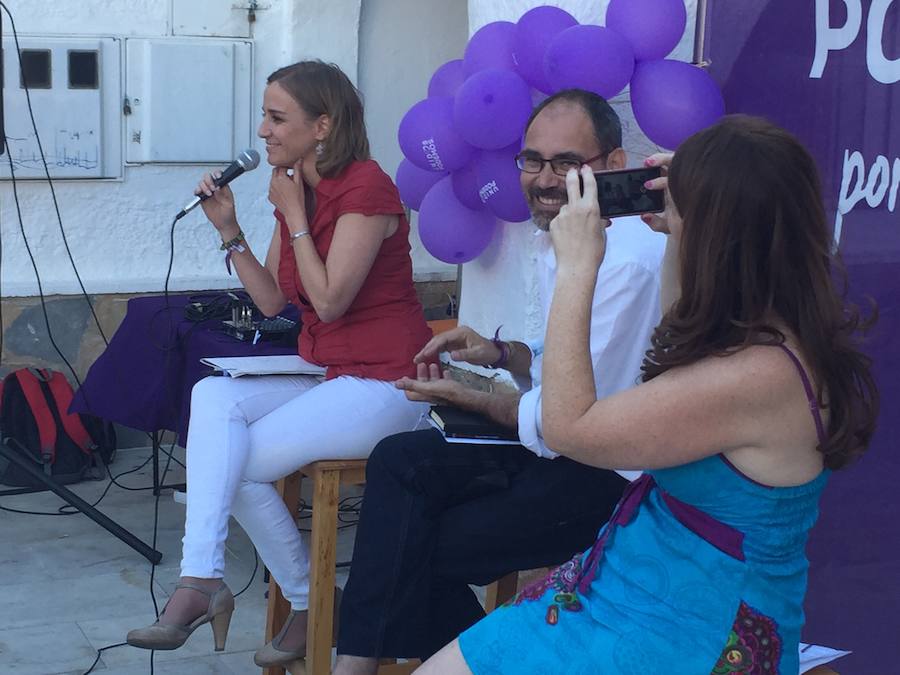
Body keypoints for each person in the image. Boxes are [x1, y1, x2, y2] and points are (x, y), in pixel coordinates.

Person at [418, 115, 879, 674]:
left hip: (691, 630)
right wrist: (677, 228)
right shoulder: (763, 330)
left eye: (684, 214)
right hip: (638, 586)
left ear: (716, 233)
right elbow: (675, 339)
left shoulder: (761, 375)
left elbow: (569, 427)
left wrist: (577, 269)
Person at [333, 89, 666, 674]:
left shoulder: (628, 260)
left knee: (416, 549)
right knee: (398, 461)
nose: (544, 178)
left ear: (615, 166)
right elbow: (563, 360)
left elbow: (569, 417)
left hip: (609, 472)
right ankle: (357, 663)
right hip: (553, 442)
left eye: (566, 163)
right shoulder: (567, 235)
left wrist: (475, 396)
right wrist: (501, 352)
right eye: (532, 160)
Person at [125, 61, 434, 668]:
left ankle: (290, 598)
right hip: (330, 369)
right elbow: (272, 302)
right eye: (263, 117)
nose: (262, 131)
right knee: (212, 398)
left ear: (323, 125)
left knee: (234, 462)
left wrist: (294, 215)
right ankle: (209, 579)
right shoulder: (295, 188)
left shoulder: (366, 187)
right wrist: (231, 230)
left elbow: (330, 299)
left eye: (276, 118)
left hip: (389, 379)